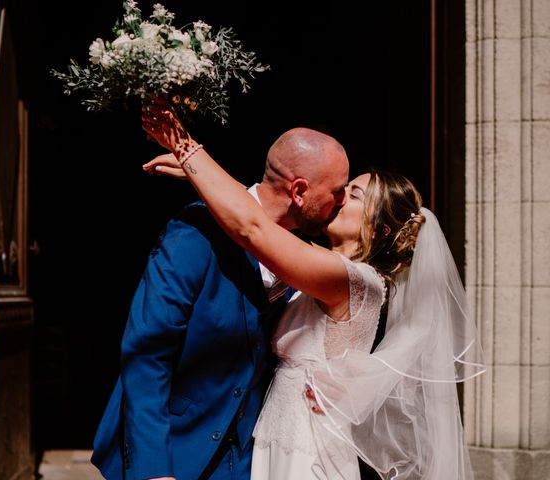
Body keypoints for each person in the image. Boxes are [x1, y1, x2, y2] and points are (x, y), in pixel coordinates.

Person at [141, 99, 486, 479]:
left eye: (352, 196)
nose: (337, 197)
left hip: (309, 452)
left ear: (380, 229)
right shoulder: (320, 265)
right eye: (341, 189)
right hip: (277, 440)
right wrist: (206, 177)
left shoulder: (353, 281)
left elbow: (255, 230)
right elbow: (269, 209)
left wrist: (188, 149)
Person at [90, 122, 349, 479]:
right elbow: (147, 353)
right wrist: (153, 470)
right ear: (300, 191)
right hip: (174, 449)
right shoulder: (195, 233)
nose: (343, 200)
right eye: (336, 191)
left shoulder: (310, 262)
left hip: (249, 459)